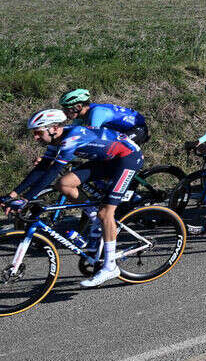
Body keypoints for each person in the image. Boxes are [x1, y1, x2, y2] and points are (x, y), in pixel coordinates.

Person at [5, 109, 142, 288]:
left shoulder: (72, 138)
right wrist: (13, 194)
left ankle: (110, 266)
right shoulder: (58, 139)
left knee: (106, 213)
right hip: (107, 160)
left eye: (38, 132)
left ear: (53, 128)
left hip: (128, 159)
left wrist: (26, 199)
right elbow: (42, 168)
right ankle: (94, 218)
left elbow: (51, 172)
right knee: (64, 184)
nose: (35, 138)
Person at [57, 89, 148, 146]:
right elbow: (73, 131)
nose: (64, 112)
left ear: (78, 107)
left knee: (112, 149)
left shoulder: (97, 113)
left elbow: (91, 136)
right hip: (123, 131)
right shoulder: (81, 116)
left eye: (67, 109)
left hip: (137, 130)